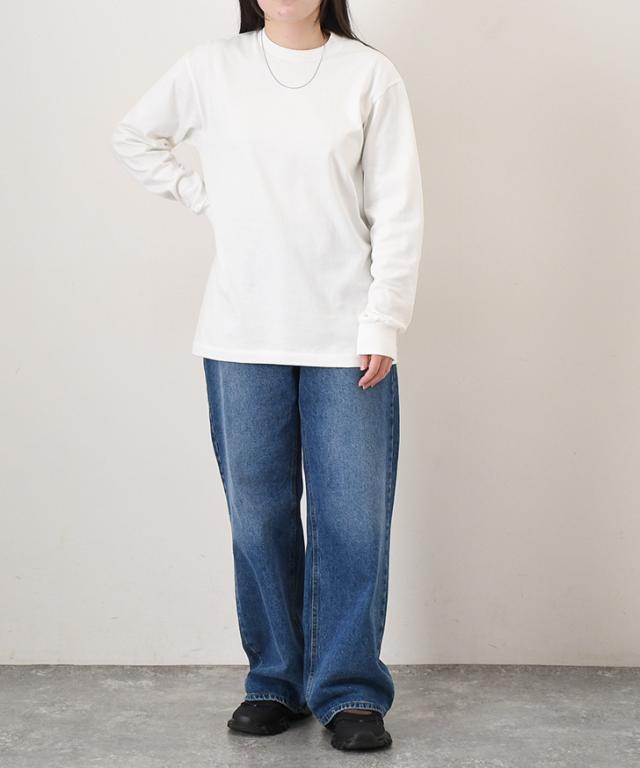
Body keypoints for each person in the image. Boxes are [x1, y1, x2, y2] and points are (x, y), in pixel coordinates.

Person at [111, 0, 423, 752]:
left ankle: (349, 691)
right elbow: (135, 136)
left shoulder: (368, 74)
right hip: (241, 330)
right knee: (259, 515)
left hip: (346, 332)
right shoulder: (211, 68)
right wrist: (204, 195)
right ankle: (276, 679)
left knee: (353, 519)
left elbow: (398, 205)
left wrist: (383, 319)